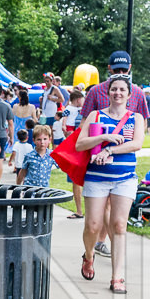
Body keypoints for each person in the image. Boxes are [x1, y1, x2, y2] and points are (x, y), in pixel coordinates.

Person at [77, 74, 145, 292]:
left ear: (129, 94)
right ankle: (89, 255)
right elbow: (80, 144)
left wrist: (110, 150)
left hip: (124, 179)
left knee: (119, 225)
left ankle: (117, 277)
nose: (118, 93)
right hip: (96, 178)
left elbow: (136, 144)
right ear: (108, 92)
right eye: (114, 89)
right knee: (93, 226)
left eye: (122, 90)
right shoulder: (96, 116)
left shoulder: (136, 118)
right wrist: (102, 139)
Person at [80, 50, 150, 125]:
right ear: (109, 68)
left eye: (124, 70)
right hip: (101, 135)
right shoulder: (95, 91)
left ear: (129, 67)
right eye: (117, 70)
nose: (120, 73)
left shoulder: (138, 93)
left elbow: (144, 122)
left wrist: (137, 135)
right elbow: (85, 120)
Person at [62, 89, 86, 218]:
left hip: (81, 149)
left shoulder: (86, 112)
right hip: (75, 148)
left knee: (79, 181)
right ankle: (79, 211)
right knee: (76, 181)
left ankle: (80, 211)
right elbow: (65, 125)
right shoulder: (77, 110)